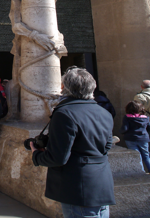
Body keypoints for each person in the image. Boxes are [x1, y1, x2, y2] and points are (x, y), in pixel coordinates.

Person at [30, 67, 115, 218]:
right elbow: (106, 147)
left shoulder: (65, 113)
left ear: (64, 87)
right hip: (101, 182)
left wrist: (36, 155)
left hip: (77, 185)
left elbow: (58, 157)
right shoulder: (104, 113)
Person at [120, 101, 150, 176]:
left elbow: (125, 128)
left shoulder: (127, 117)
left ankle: (141, 173)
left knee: (136, 156)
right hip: (143, 139)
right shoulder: (146, 118)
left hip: (130, 139)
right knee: (146, 156)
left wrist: (121, 131)